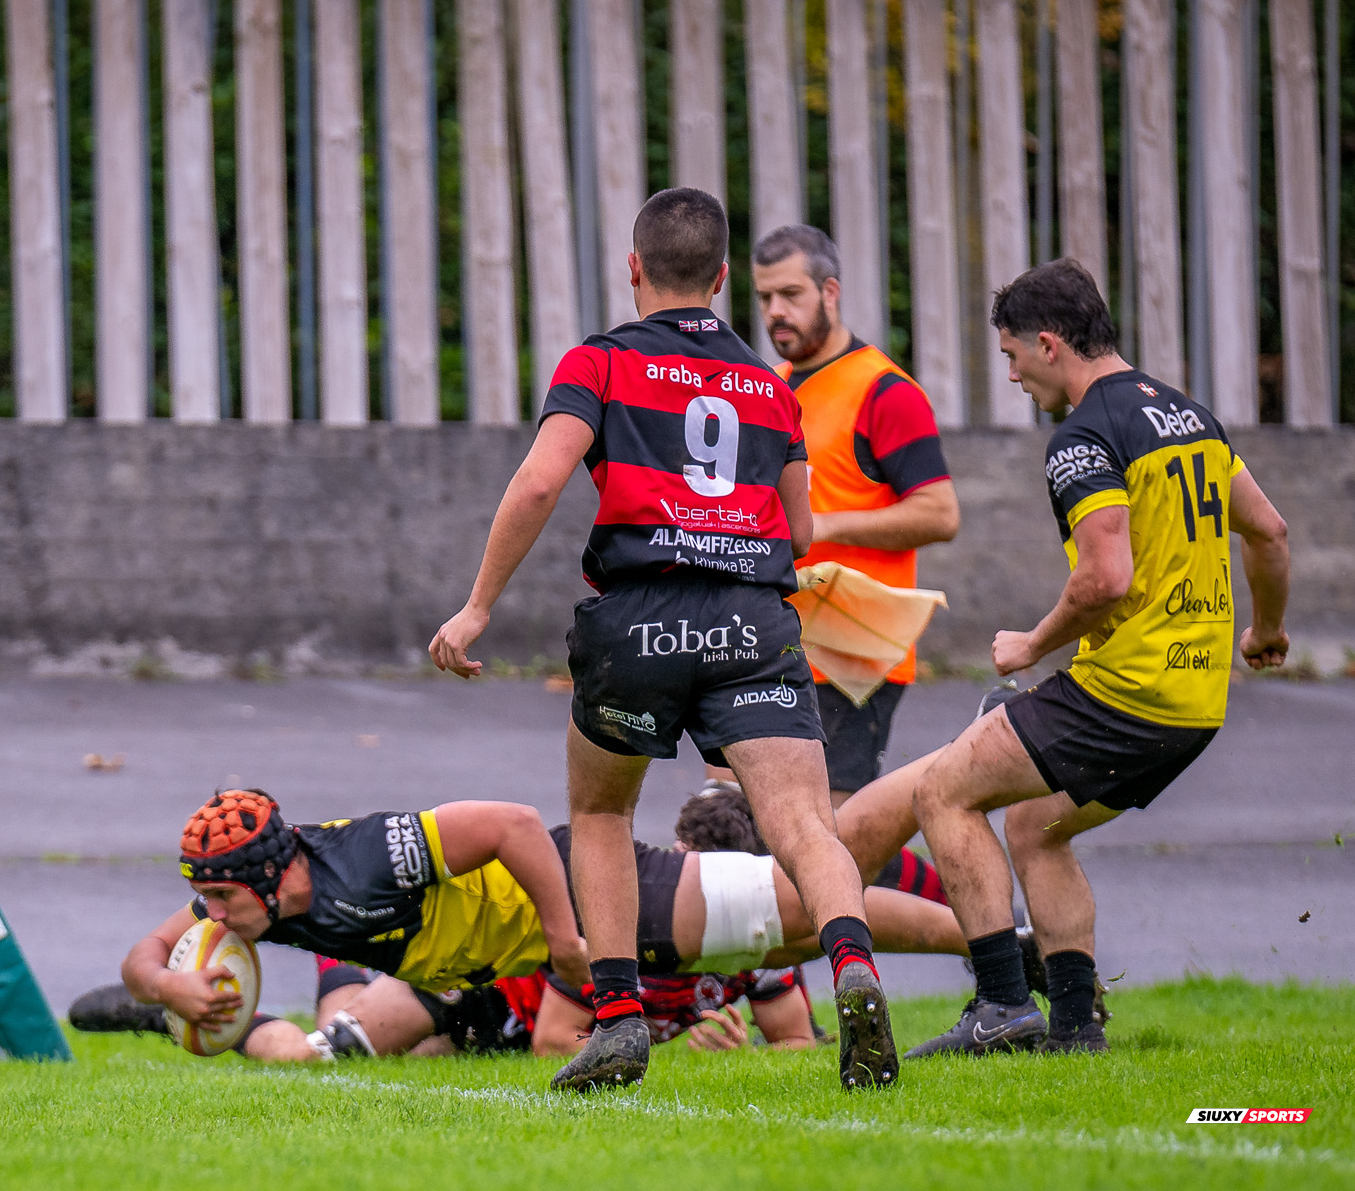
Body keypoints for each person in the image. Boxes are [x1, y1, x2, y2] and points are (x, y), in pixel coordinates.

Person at [429, 188, 896, 1093]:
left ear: (633, 269)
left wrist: (478, 605)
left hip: (640, 617)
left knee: (603, 815)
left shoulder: (598, 362)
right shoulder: (769, 386)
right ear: (724, 279)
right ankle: (854, 970)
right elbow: (800, 532)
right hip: (753, 617)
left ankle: (615, 1023)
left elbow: (537, 486)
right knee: (802, 822)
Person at [903, 258, 1291, 1057]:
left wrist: (1030, 644)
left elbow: (1106, 578)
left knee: (943, 792)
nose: (1011, 375)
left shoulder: (1082, 438)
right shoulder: (1190, 416)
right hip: (1196, 703)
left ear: (1050, 345)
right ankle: (1076, 1030)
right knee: (1038, 827)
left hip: (1126, 692)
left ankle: (1003, 1006)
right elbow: (1270, 532)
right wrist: (1266, 632)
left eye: (1012, 356)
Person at [109, 787, 966, 1066]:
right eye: (208, 903)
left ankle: (994, 950)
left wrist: (564, 934)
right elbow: (142, 950)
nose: (212, 918)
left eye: (220, 900)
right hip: (462, 969)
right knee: (312, 1059)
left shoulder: (375, 855)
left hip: (585, 895)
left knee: (790, 914)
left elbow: (517, 825)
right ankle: (163, 1021)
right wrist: (168, 986)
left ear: (272, 873)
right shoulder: (254, 899)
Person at [704, 226, 957, 824]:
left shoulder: (885, 392)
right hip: (772, 641)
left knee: (830, 840)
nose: (775, 312)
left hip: (855, 654)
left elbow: (941, 513)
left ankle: (951, 912)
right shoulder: (773, 388)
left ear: (831, 291)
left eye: (790, 294)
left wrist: (819, 525)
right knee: (738, 821)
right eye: (765, 297)